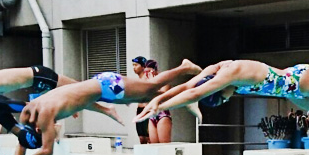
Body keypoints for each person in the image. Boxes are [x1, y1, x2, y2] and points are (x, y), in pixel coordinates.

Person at [137, 60, 309, 143]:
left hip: (301, 80)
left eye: (221, 101)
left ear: (219, 91)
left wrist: (160, 107)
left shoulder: (230, 75)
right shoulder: (213, 74)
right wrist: (158, 98)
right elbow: (188, 86)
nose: (226, 101)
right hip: (292, 93)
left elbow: (195, 93)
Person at [19, 60, 202, 134]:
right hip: (106, 93)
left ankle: (184, 67)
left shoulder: (47, 113)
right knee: (149, 95)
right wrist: (106, 110)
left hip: (108, 85)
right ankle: (187, 97)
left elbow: (46, 150)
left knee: (150, 87)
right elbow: (84, 100)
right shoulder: (48, 105)